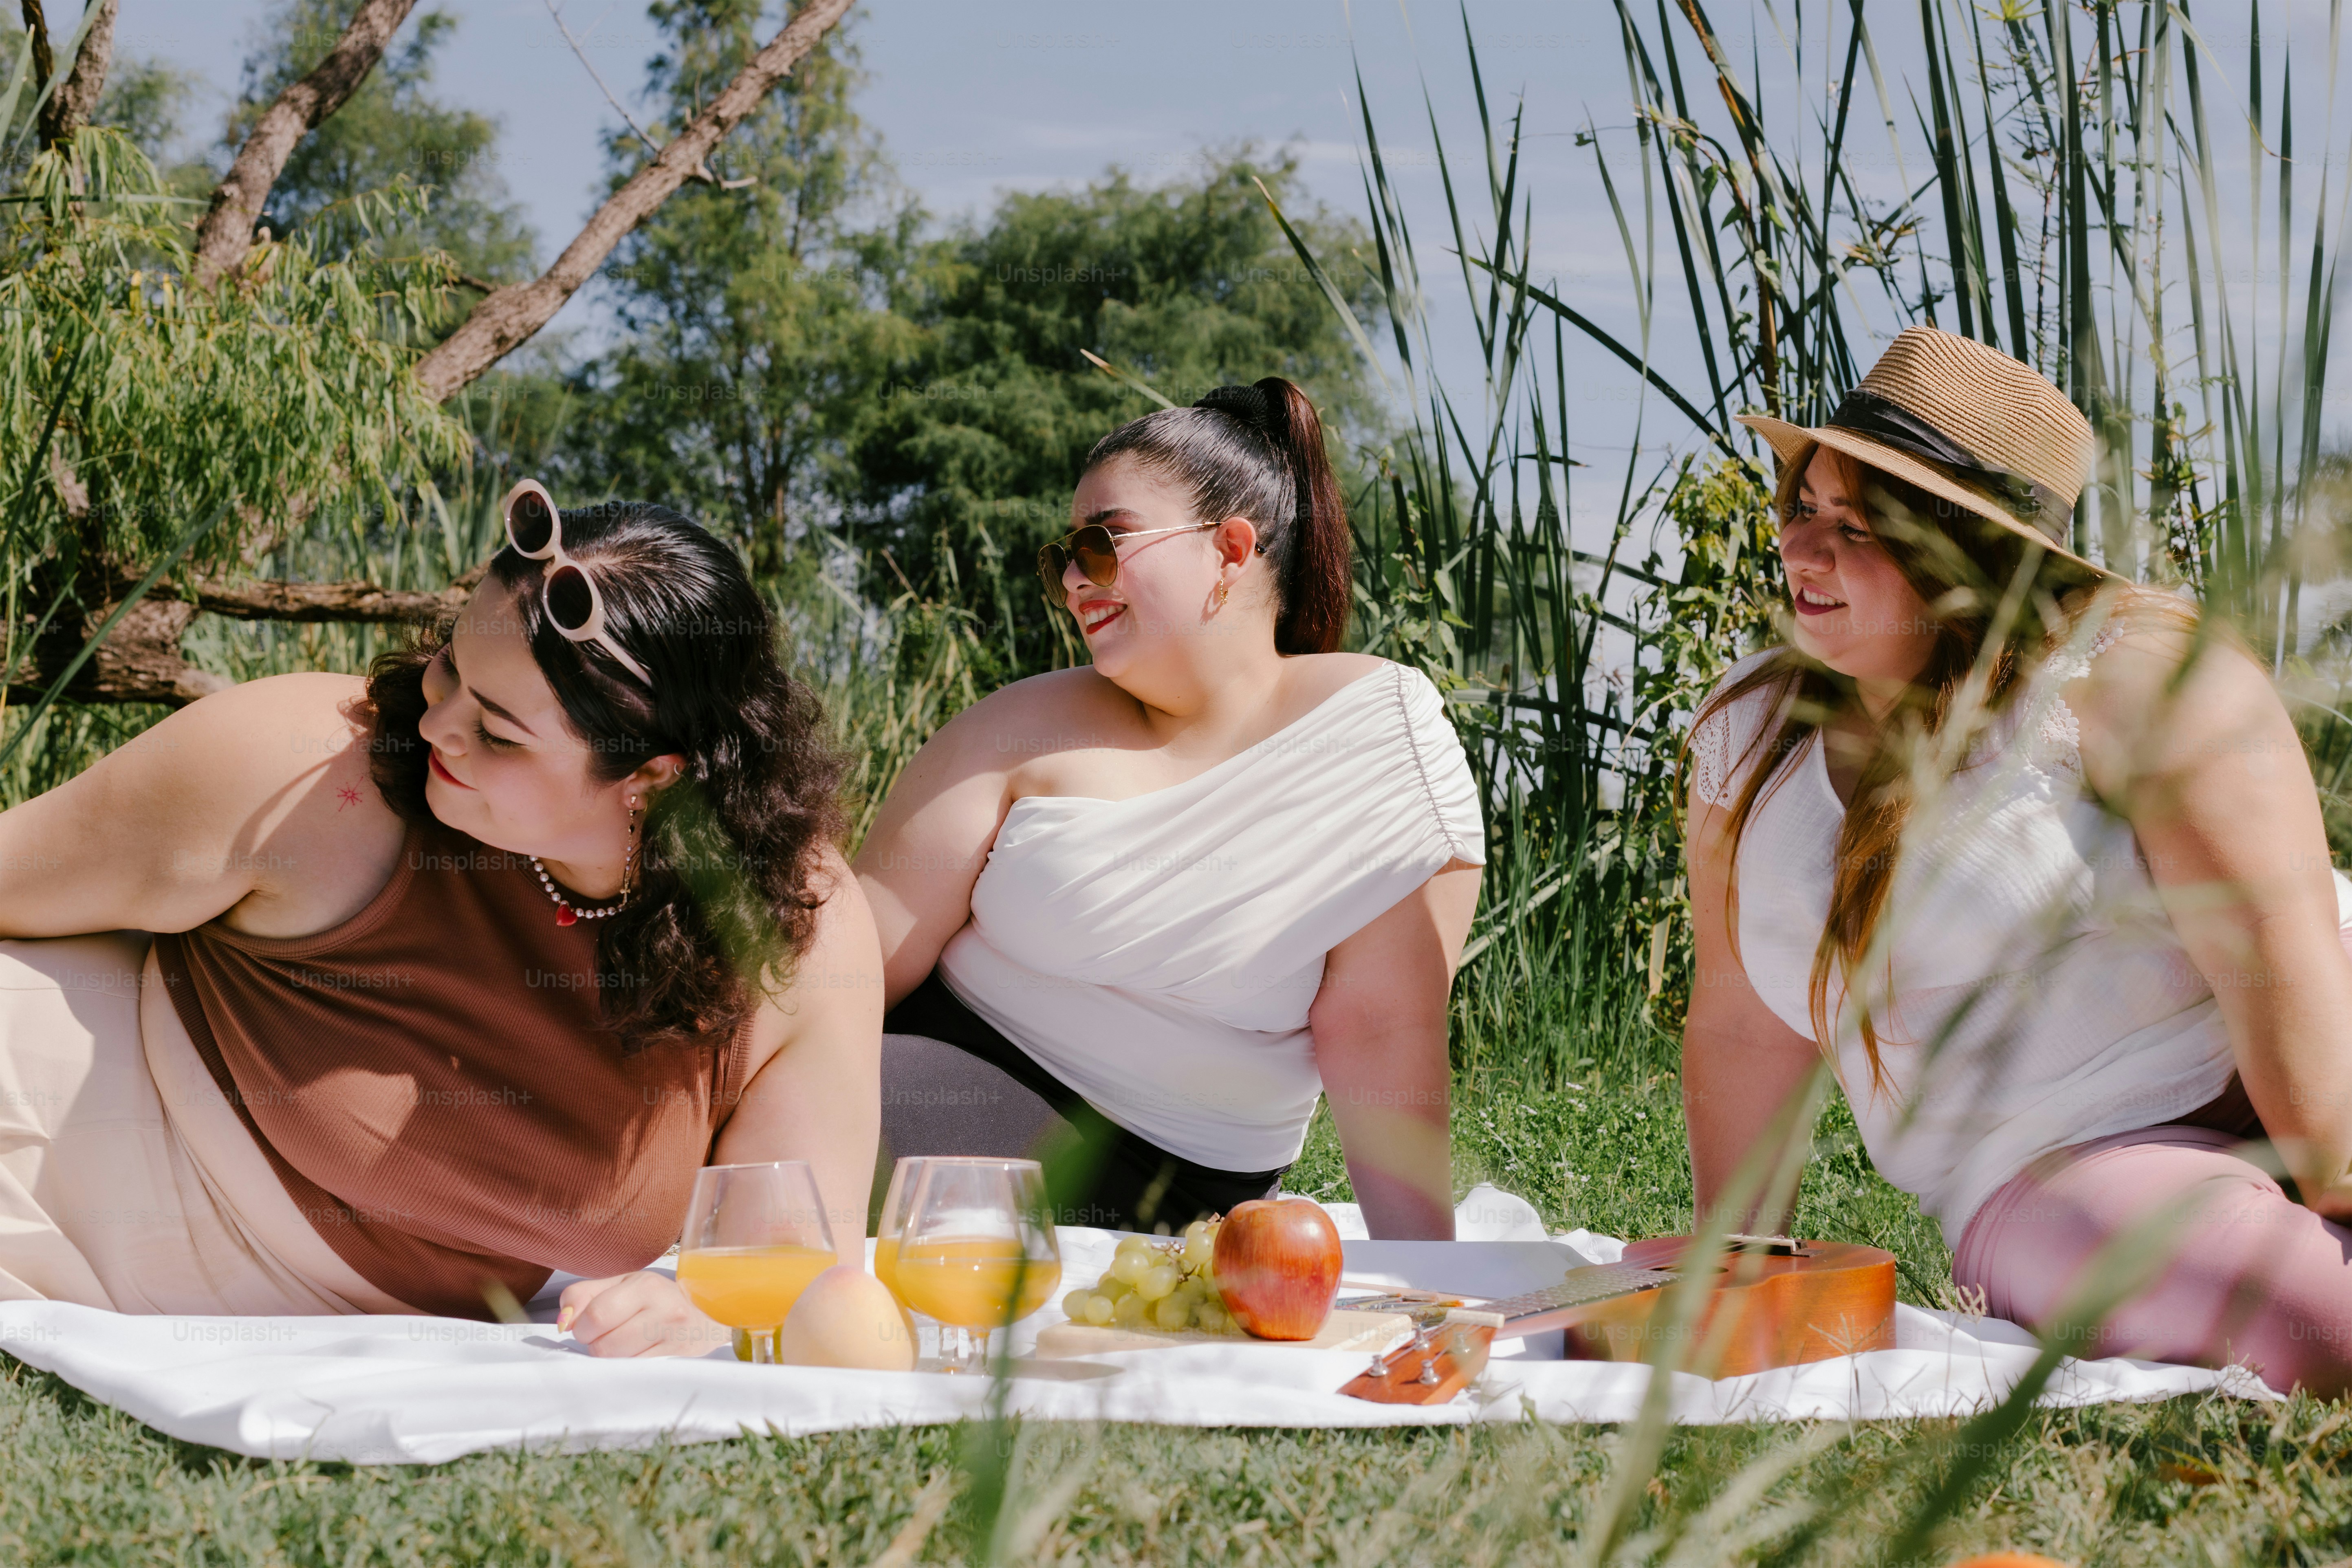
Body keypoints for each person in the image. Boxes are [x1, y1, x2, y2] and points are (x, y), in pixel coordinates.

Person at [0, 482, 880, 1359]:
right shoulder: (306, 772)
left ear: (651, 777)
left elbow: (800, 1257)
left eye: (498, 733)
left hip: (325, 1327)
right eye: (451, 667)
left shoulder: (792, 927)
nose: (438, 724)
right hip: (51, 1137)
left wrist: (720, 1308)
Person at [1682, 324, 2352, 1394]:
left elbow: (2274, 937)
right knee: (2307, 1318)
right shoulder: (1747, 739)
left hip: (2316, 1065)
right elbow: (1738, 1020)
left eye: (1858, 528)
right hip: (2065, 1168)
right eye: (1802, 507)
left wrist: (2332, 1171)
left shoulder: (2135, 674)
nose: (1802, 551)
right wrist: (1740, 1269)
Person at [855, 378, 1484, 1238]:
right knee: (725, 1100)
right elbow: (858, 954)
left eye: (1103, 542)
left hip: (1171, 1176)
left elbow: (1380, 1025)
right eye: (1063, 557)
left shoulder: (1377, 735)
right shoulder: (1019, 722)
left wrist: (1427, 1273)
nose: (1076, 579)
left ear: (1231, 549)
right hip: (928, 1071)